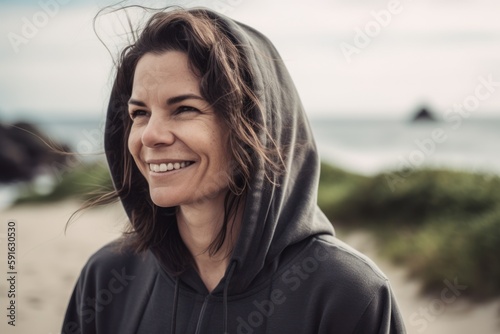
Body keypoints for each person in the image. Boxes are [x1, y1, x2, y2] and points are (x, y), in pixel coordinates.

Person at [62, 6, 406, 334]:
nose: (150, 135)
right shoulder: (107, 278)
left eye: (183, 108)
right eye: (139, 113)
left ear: (255, 127)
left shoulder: (348, 294)